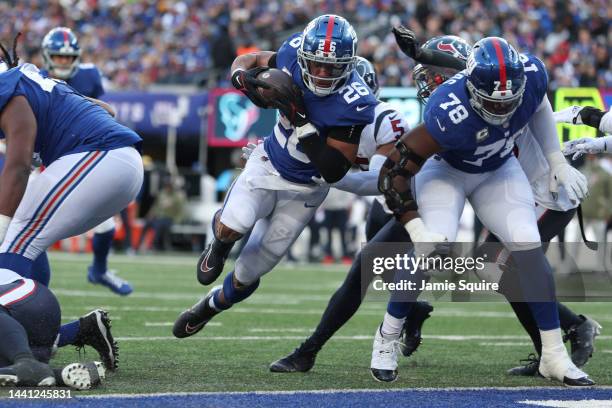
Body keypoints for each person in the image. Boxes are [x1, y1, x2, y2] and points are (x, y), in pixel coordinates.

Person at [369, 34, 592, 386]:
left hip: (498, 169)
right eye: (493, 102)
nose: (502, 110)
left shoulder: (531, 73)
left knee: (527, 247)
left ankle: (554, 355)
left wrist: (555, 161)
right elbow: (393, 175)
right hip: (447, 173)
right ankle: (386, 336)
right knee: (431, 247)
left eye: (509, 103)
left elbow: (539, 107)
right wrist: (416, 229)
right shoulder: (447, 110)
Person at [172, 15, 377, 345]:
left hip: (307, 190)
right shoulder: (292, 53)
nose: (323, 73)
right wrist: (241, 78)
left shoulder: (354, 103)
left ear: (348, 65)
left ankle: (207, 309)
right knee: (232, 224)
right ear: (305, 56)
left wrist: (300, 119)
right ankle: (219, 245)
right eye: (317, 64)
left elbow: (334, 170)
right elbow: (250, 59)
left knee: (249, 273)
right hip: (267, 164)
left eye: (332, 67)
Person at [269, 56, 433, 373]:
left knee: (361, 273)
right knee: (383, 273)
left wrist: (332, 177)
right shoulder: (332, 123)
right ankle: (414, 312)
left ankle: (308, 351)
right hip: (385, 205)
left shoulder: (385, 119)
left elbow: (378, 183)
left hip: (412, 203)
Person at [0, 34, 143, 371]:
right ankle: (72, 333)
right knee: (26, 243)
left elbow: (19, 167)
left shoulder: (11, 94)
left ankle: (25, 354)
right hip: (113, 163)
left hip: (100, 158)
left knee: (14, 243)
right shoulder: (32, 83)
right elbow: (105, 109)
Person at [39, 27, 133, 296]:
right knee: (31, 225)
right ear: (47, 57)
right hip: (47, 159)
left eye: (68, 58)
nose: (63, 62)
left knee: (106, 225)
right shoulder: (37, 78)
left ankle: (99, 270)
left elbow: (103, 114)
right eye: (58, 57)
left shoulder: (90, 76)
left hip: (80, 155)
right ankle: (30, 285)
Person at [0, 269, 105, 389]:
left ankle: (25, 359)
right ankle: (57, 374)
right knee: (16, 366)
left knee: (21, 359)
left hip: (28, 301)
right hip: (28, 337)